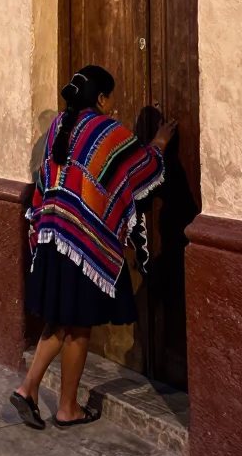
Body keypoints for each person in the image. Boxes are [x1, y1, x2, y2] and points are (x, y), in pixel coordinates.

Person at [10, 65, 177, 429]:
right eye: (110, 97)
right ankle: (67, 408)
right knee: (80, 326)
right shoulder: (108, 130)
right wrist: (161, 143)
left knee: (58, 319)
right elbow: (142, 167)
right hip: (83, 242)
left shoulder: (59, 127)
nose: (112, 104)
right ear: (102, 98)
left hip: (52, 235)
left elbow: (48, 176)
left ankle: (27, 388)